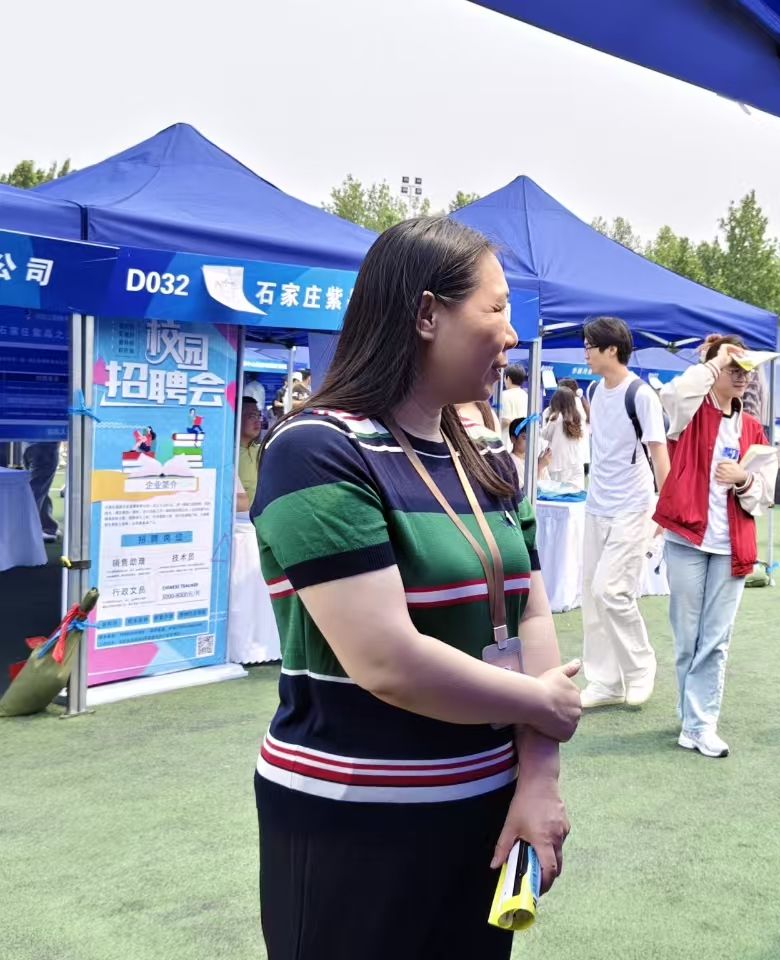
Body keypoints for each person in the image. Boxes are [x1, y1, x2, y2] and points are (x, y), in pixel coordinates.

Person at [250, 217, 582, 960]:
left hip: (488, 813)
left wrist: (538, 777)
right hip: (353, 821)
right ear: (428, 314)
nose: (511, 334)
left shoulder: (488, 449)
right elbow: (387, 661)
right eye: (495, 309)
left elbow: (528, 608)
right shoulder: (315, 450)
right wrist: (541, 704)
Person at [654, 335, 777, 758]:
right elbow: (672, 395)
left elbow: (765, 493)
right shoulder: (688, 414)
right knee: (687, 637)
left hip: (731, 544)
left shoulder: (753, 428)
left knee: (715, 638)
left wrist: (744, 480)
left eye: (746, 371)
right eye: (732, 368)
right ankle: (690, 715)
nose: (741, 377)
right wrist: (714, 361)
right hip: (686, 538)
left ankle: (700, 723)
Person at [579, 316, 671, 709]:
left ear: (611, 349)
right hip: (596, 505)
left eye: (589, 345)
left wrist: (665, 510)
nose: (585, 352)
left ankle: (639, 669)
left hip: (633, 507)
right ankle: (605, 682)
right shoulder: (594, 390)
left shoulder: (641, 394)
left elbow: (659, 454)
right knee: (592, 594)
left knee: (611, 590)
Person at [538, 384, 589, 491]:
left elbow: (546, 435)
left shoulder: (555, 417)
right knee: (574, 493)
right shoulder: (577, 417)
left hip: (557, 463)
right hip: (576, 462)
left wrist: (537, 429)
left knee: (557, 493)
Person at [21, 441, 60, 543]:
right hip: (45, 445)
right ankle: (32, 529)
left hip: (31, 445)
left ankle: (46, 526)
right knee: (37, 490)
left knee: (40, 489)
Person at [236, 397, 262, 513]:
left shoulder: (261, 451)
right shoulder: (229, 454)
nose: (257, 422)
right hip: (237, 518)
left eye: (258, 416)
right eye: (252, 416)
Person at [498, 364, 529, 447]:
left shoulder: (504, 395)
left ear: (508, 378)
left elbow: (506, 420)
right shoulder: (526, 396)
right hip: (523, 441)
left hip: (507, 440)